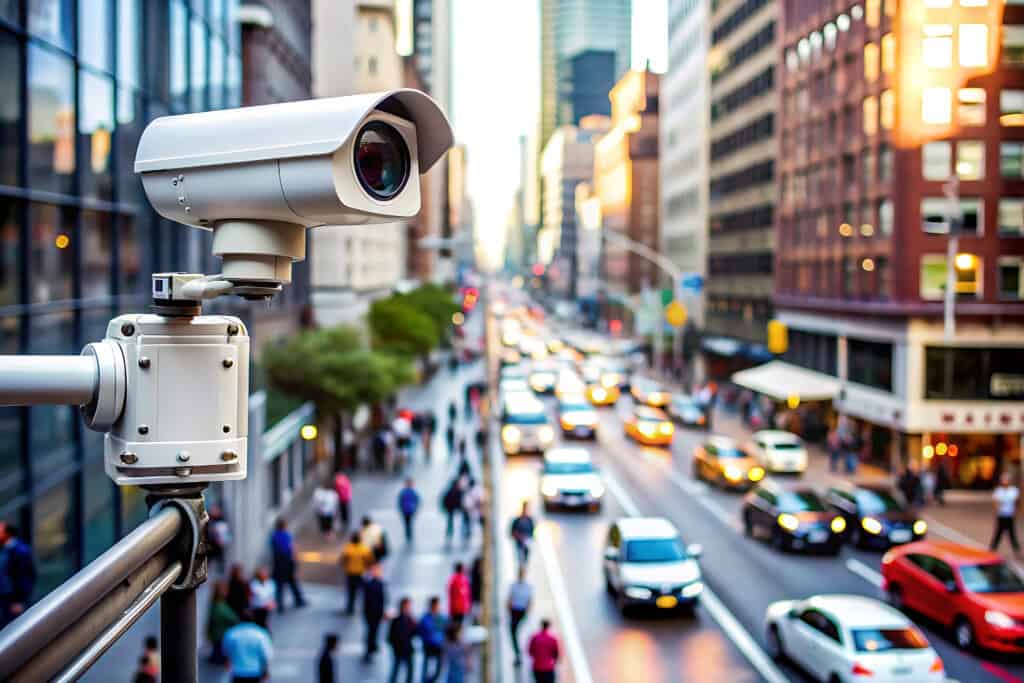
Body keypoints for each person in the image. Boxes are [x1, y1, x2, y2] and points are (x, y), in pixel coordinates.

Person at [0, 522, 35, 628]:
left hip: (13, 599)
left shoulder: (20, 551)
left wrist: (18, 600)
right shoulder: (6, 550)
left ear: (7, 534)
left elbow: (23, 577)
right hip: (6, 598)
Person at [222, 610, 273, 683]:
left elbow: (225, 650)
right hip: (255, 671)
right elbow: (266, 654)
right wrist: (265, 670)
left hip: (237, 672)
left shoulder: (231, 633)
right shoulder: (260, 634)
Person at [269, 518, 307, 611]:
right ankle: (298, 600)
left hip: (278, 562)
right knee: (292, 581)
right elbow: (291, 548)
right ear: (284, 526)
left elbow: (273, 548)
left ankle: (280, 604)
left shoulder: (274, 536)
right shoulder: (286, 535)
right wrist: (296, 561)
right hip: (287, 561)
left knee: (280, 584)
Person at [206, 581, 240, 665]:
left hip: (217, 634)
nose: (227, 592)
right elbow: (232, 618)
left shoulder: (216, 604)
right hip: (220, 634)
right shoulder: (220, 606)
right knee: (219, 654)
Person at [341, 531, 375, 614]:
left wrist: (346, 567)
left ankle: (350, 607)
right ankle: (365, 607)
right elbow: (370, 560)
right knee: (363, 591)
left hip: (350, 573)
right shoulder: (364, 549)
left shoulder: (348, 549)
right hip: (361, 573)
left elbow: (343, 560)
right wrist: (368, 568)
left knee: (351, 591)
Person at [387, 596, 418, 683]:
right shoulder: (396, 619)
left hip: (408, 649)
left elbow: (415, 633)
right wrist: (395, 647)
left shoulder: (410, 619)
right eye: (407, 606)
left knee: (410, 671)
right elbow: (390, 637)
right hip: (398, 649)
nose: (408, 608)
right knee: (396, 670)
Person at [507, 566, 533, 666]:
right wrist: (509, 610)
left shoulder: (528, 587)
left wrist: (527, 612)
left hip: (522, 612)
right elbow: (509, 599)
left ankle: (521, 653)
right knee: (513, 633)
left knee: (519, 632)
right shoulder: (514, 585)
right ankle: (518, 653)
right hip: (515, 611)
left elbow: (530, 601)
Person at [418, 596, 447, 683]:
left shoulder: (442, 618)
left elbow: (446, 630)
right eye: (435, 605)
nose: (437, 607)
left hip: (439, 646)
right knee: (426, 668)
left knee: (439, 670)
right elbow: (421, 631)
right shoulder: (425, 618)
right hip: (428, 646)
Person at [991, 472, 1021, 555]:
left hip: (1010, 515)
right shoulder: (998, 491)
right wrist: (997, 509)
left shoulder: (1014, 490)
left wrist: (1016, 512)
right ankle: (993, 548)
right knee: (998, 532)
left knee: (1012, 533)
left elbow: (1017, 502)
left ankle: (1016, 550)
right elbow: (995, 502)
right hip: (1002, 515)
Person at [363, 562, 388, 662]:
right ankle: (369, 649)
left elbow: (383, 598)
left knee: (374, 631)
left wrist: (383, 612)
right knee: (371, 632)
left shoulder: (379, 583)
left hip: (377, 612)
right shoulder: (370, 583)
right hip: (370, 612)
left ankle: (372, 646)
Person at [527, 619, 560, 683]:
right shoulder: (552, 639)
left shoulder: (535, 637)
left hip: (537, 667)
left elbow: (530, 651)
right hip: (548, 667)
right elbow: (556, 654)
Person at [442, 476, 468, 545]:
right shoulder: (457, 491)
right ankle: (453, 533)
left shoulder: (452, 491)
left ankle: (451, 533)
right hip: (452, 508)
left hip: (451, 509)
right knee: (452, 522)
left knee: (451, 523)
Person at [509, 501, 536, 566]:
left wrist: (530, 537)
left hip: (527, 543)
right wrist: (518, 537)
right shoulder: (518, 519)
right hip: (519, 543)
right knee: (520, 559)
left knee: (525, 559)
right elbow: (512, 531)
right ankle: (521, 569)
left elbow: (533, 530)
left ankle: (523, 568)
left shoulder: (530, 520)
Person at [207, 505, 231, 574]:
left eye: (215, 511)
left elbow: (225, 538)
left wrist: (220, 541)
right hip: (211, 546)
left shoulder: (221, 524)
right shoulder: (210, 522)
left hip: (216, 547)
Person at [397, 478, 421, 544]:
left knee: (408, 522)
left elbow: (417, 500)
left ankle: (408, 533)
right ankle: (408, 533)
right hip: (406, 509)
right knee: (407, 522)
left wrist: (415, 507)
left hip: (410, 509)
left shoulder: (410, 492)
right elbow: (400, 501)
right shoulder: (405, 492)